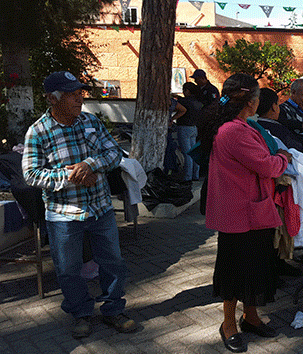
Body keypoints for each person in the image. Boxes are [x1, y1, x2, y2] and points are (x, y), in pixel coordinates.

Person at [22, 71, 137, 338]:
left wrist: (90, 165)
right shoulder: (38, 132)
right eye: (72, 94)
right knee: (68, 269)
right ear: (52, 98)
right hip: (63, 215)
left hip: (100, 208)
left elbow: (112, 153)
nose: (79, 98)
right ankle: (80, 313)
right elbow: (31, 174)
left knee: (113, 262)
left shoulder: (91, 122)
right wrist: (71, 177)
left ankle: (114, 309)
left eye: (80, 92)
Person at [197, 73, 291, 353]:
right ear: (251, 103)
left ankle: (250, 317)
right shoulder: (234, 131)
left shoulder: (238, 126)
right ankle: (228, 325)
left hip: (252, 209)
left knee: (256, 266)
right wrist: (283, 158)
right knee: (234, 271)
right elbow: (268, 166)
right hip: (239, 213)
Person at [256, 87, 303, 156]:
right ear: (274, 106)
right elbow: (301, 149)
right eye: (277, 104)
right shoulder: (278, 130)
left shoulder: (256, 126)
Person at [176, 82, 203, 181]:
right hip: (194, 127)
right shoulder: (198, 102)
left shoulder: (184, 102)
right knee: (193, 152)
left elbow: (181, 109)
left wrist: (173, 118)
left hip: (184, 127)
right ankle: (195, 174)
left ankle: (187, 176)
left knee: (187, 153)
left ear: (187, 91)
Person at [163, 95, 187, 175]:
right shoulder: (171, 101)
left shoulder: (155, 100)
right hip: (167, 128)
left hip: (161, 128)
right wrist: (172, 119)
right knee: (170, 150)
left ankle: (168, 170)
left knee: (168, 151)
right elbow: (183, 110)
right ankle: (170, 170)